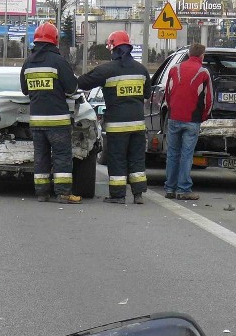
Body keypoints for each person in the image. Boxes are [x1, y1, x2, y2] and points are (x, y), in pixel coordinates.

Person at [78, 31, 151, 205]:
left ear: (112, 47)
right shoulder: (141, 70)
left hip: (117, 126)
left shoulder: (107, 70)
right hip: (138, 125)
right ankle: (138, 194)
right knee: (137, 159)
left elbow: (83, 82)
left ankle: (118, 195)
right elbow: (147, 93)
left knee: (117, 158)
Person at [20, 22, 80, 204]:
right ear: (54, 40)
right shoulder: (58, 62)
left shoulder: (28, 63)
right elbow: (72, 88)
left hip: (37, 122)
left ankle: (42, 193)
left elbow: (24, 90)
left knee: (41, 157)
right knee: (61, 157)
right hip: (58, 122)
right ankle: (63, 194)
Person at [163, 43, 213, 201]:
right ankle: (183, 189)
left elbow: (167, 93)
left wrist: (172, 110)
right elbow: (209, 99)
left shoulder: (174, 69)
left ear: (189, 54)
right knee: (186, 155)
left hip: (174, 117)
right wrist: (203, 116)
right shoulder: (203, 72)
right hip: (192, 120)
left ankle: (170, 188)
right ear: (202, 56)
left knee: (172, 154)